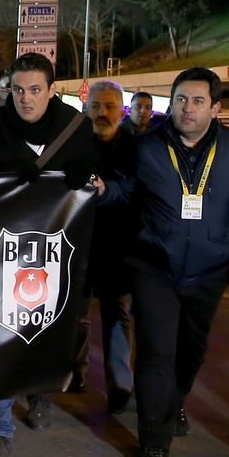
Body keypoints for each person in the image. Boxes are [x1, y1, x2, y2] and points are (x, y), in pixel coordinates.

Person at [97, 67, 229, 457]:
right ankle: (153, 441)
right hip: (154, 267)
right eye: (181, 99)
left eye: (198, 101)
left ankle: (173, 402)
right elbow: (126, 191)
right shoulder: (147, 147)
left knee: (190, 352)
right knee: (155, 352)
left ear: (215, 108)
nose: (187, 108)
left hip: (209, 271)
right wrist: (103, 191)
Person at [0, 52, 97, 457]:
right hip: (1, 255)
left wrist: (85, 176)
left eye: (35, 90)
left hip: (56, 256)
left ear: (52, 90)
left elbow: (96, 178)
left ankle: (40, 392)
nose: (25, 98)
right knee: (1, 335)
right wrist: (3, 177)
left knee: (49, 329)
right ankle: (0, 428)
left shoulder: (77, 128)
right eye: (18, 90)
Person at [81, 80, 138, 413]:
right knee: (75, 313)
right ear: (87, 109)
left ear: (121, 109)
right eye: (96, 106)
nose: (103, 113)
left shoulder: (136, 149)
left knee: (117, 315)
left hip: (119, 247)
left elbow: (135, 191)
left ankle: (120, 384)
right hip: (80, 244)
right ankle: (75, 375)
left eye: (110, 106)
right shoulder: (74, 146)